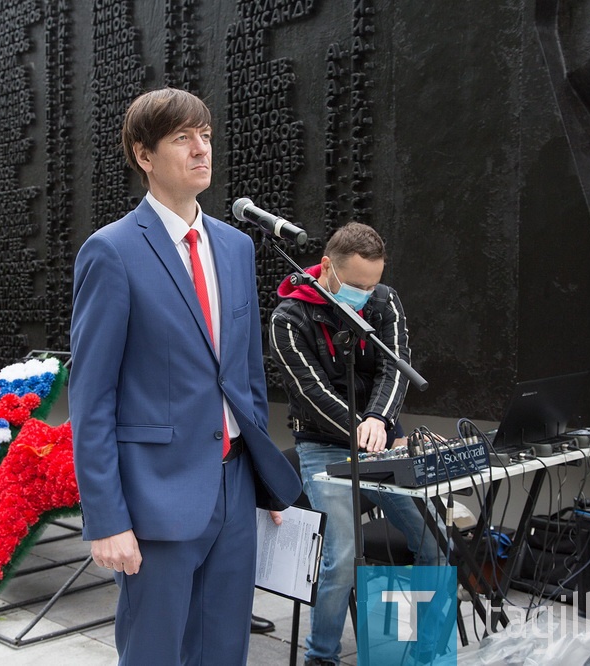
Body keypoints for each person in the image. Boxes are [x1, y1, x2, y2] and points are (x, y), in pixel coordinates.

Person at [70, 87, 302, 666]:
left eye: (206, 136)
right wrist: (107, 519)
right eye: (183, 138)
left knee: (224, 651)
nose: (202, 150)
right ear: (143, 155)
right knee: (154, 655)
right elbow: (91, 397)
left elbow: (245, 380)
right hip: (156, 497)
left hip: (233, 488)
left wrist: (265, 481)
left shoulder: (236, 246)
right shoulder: (112, 252)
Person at [269, 222, 445, 666]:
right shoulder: (288, 319)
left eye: (373, 284)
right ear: (326, 267)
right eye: (355, 285)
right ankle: (321, 656)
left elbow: (396, 368)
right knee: (343, 554)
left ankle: (423, 646)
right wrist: (356, 428)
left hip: (384, 438)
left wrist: (378, 419)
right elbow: (308, 391)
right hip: (322, 447)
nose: (365, 295)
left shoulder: (384, 301)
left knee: (435, 539)